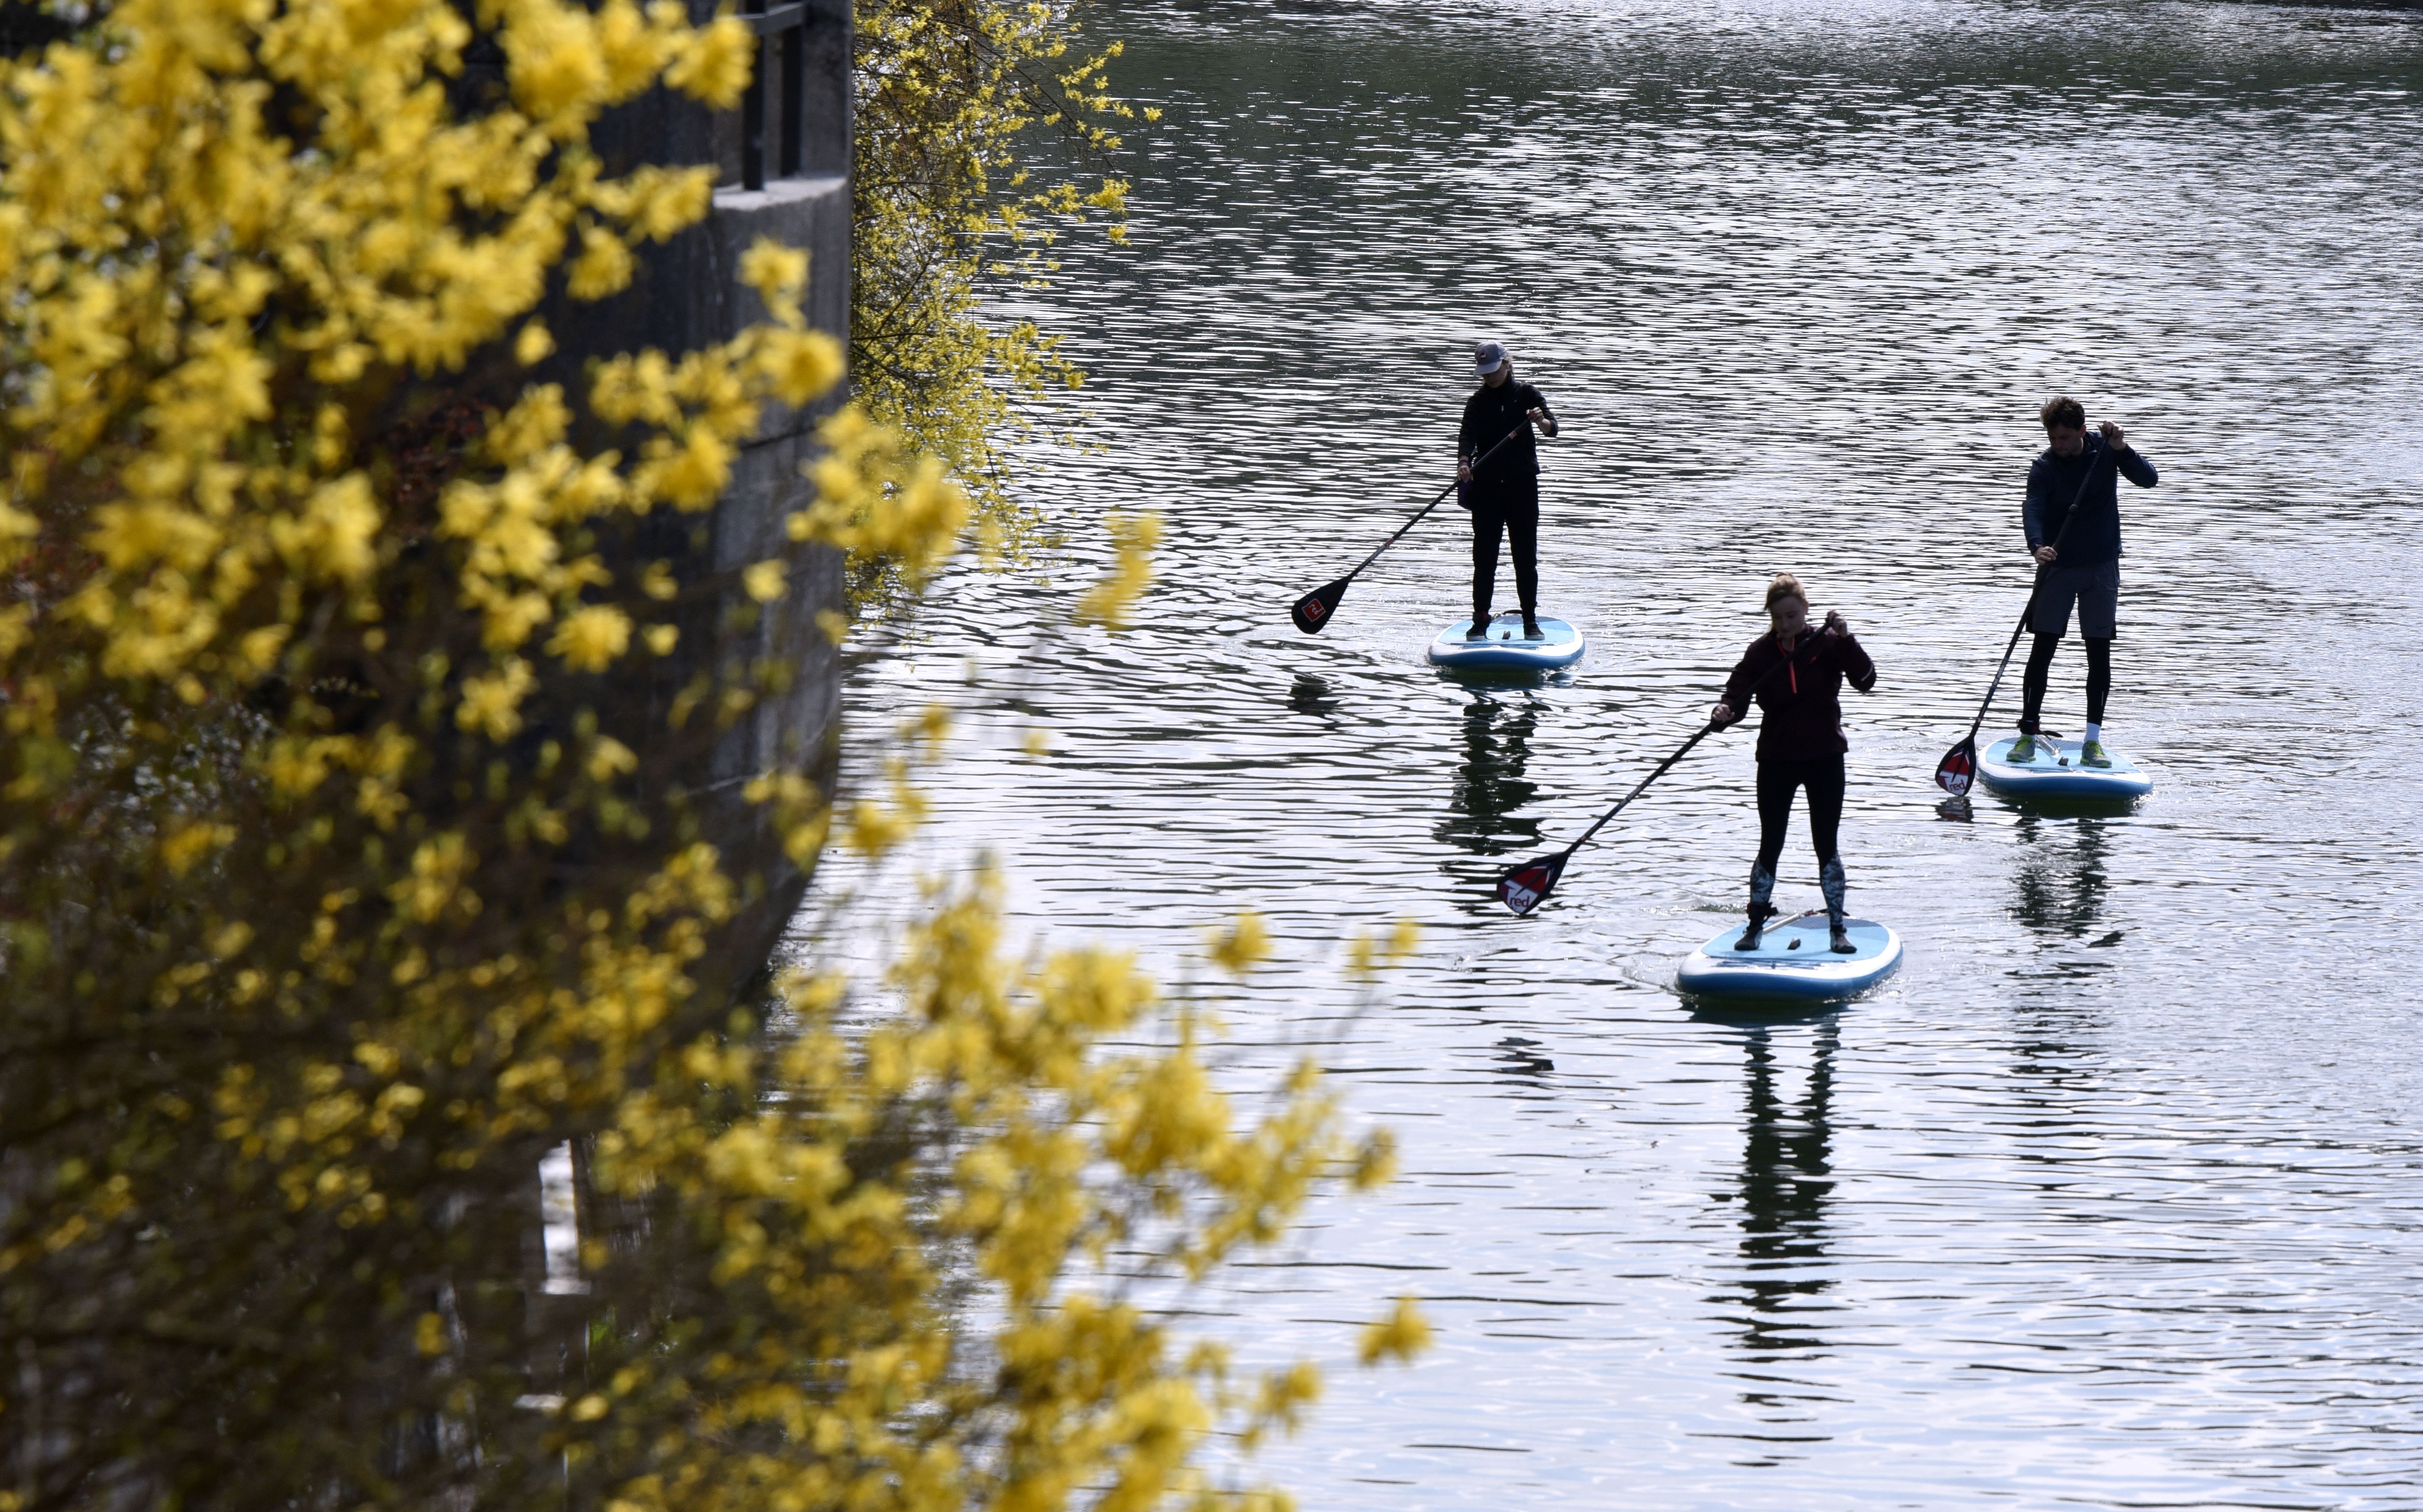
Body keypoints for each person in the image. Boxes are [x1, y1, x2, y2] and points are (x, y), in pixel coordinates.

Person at [1709, 574, 1877, 954]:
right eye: (1778, 618)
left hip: (1825, 757)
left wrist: (1848, 638)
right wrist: (1724, 712)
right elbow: (1736, 696)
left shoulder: (1829, 644)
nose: (1785, 625)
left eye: (1791, 616)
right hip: (1777, 759)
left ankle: (1838, 927)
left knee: (1826, 845)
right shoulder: (1761, 653)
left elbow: (1866, 680)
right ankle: (1755, 926)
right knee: (1771, 842)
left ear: (1805, 610)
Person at [2012, 395, 2158, 768]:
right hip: (2057, 568)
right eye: (2052, 438)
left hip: (2101, 567)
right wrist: (2037, 546)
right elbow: (2033, 508)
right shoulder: (2043, 468)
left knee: (2099, 654)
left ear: (2081, 430)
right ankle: (2028, 734)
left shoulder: (2105, 451)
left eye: (2063, 438)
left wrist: (2122, 447)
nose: (2057, 445)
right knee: (2042, 650)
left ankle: (2093, 741)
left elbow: (2149, 480)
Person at [1456, 341, 1557, 641]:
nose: (1489, 377)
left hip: (1522, 489)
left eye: (1493, 370)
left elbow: (1554, 429)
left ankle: (1530, 622)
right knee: (1484, 559)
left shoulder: (1526, 394)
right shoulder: (1477, 402)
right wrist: (1464, 462)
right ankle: (1479, 623)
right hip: (1487, 491)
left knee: (1525, 559)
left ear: (1506, 364)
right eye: (1484, 372)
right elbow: (1467, 436)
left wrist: (1541, 421)